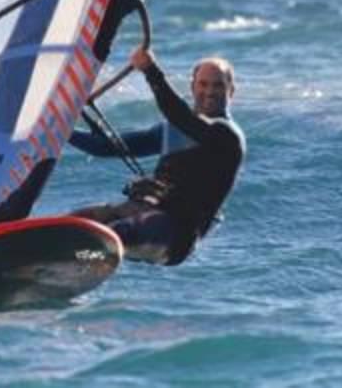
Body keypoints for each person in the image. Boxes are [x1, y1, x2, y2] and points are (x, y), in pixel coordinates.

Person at [68, 48, 245, 266]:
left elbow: (177, 112)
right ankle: (35, 255)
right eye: (203, 84)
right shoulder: (171, 131)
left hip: (176, 234)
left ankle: (75, 259)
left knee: (113, 235)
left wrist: (151, 71)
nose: (209, 92)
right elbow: (104, 147)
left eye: (218, 85)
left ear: (231, 91)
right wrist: (61, 130)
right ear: (192, 87)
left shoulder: (227, 135)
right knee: (75, 223)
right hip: (144, 211)